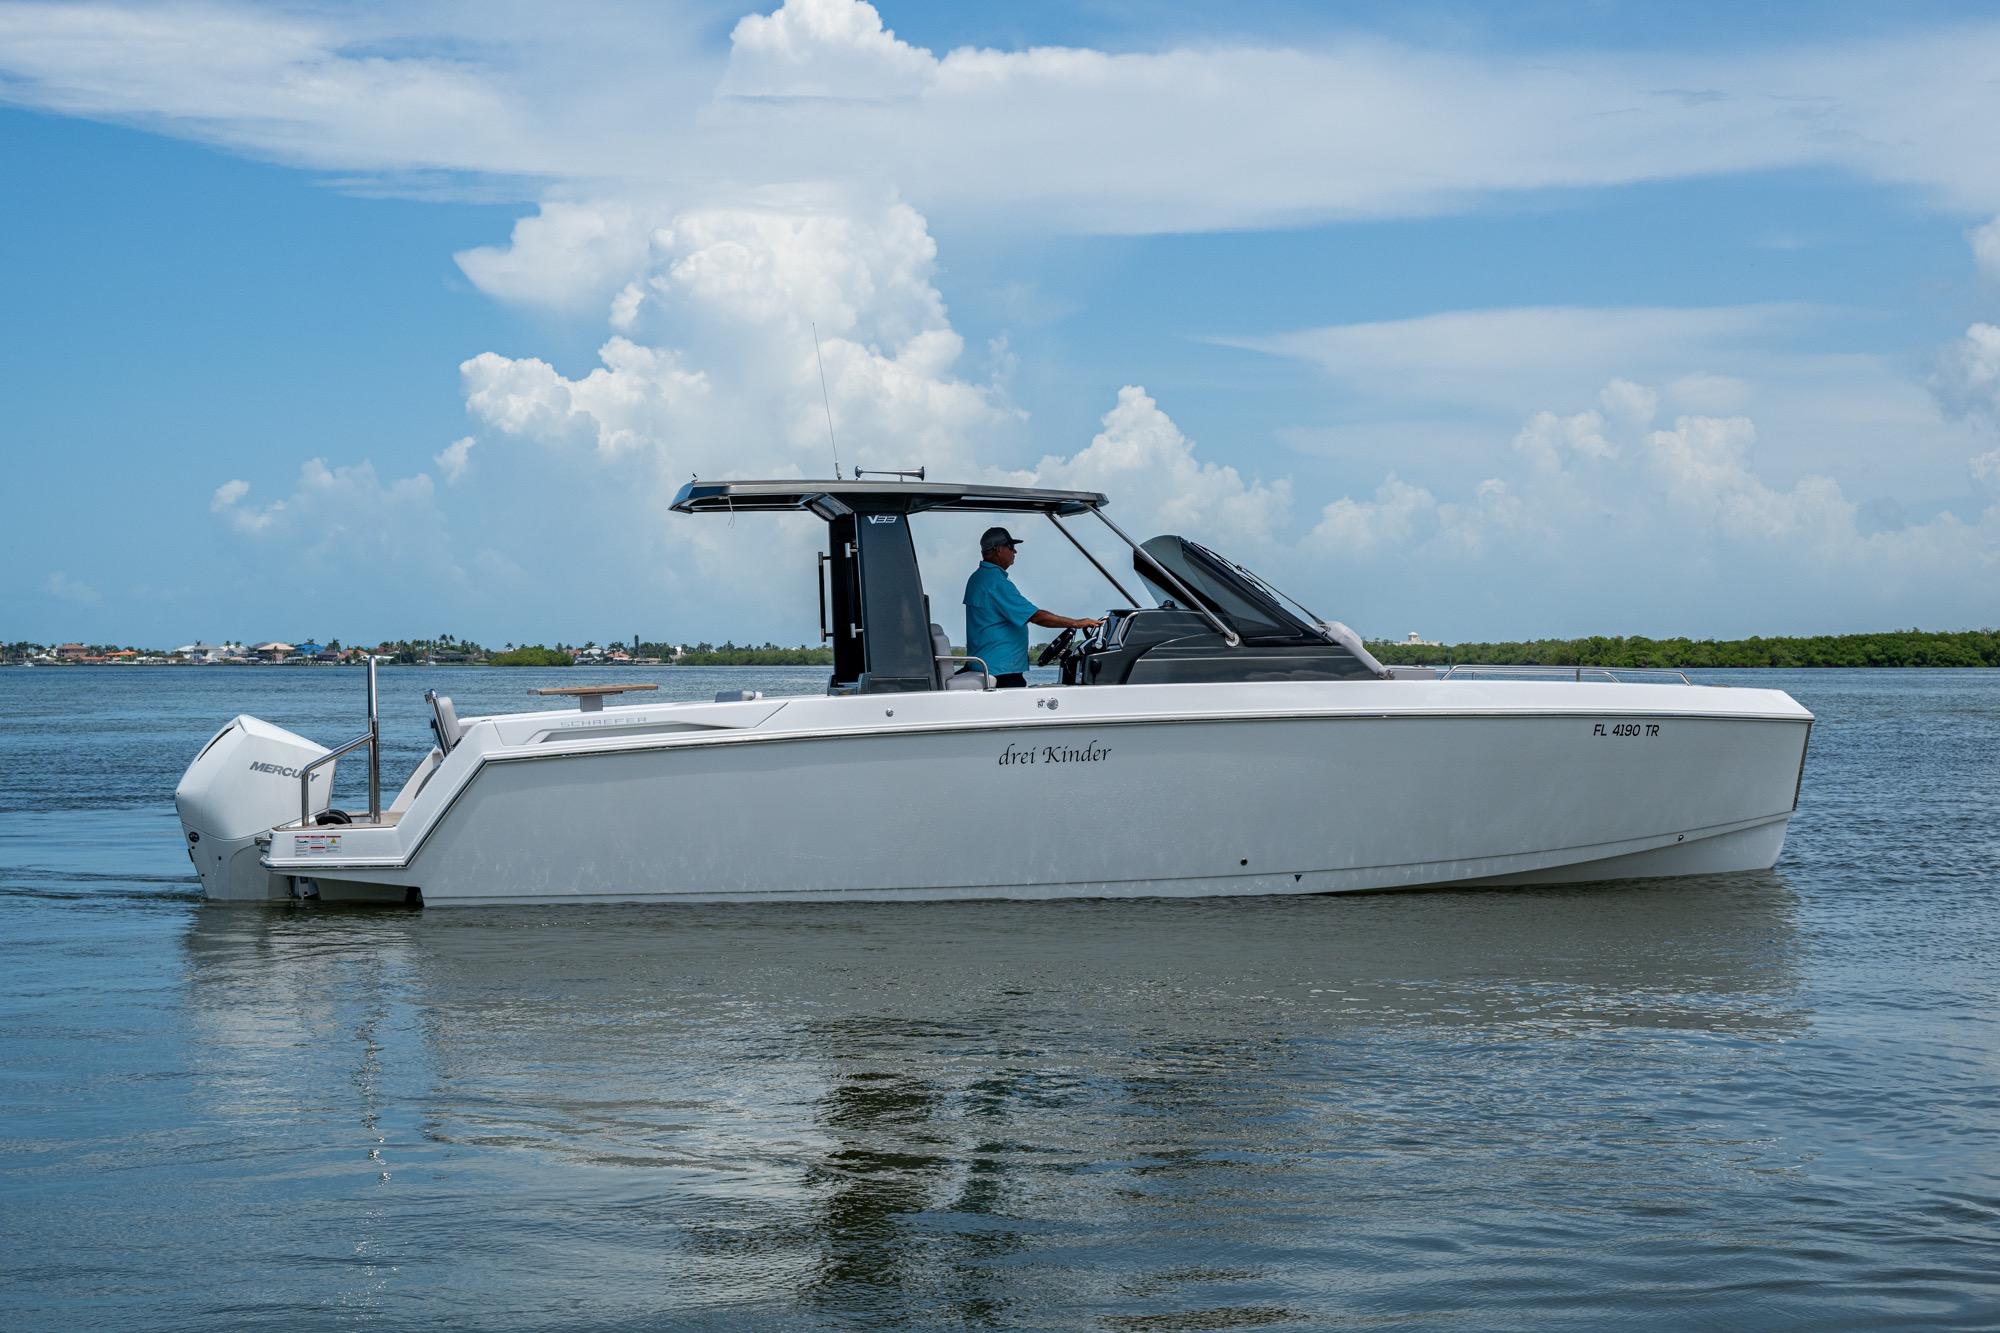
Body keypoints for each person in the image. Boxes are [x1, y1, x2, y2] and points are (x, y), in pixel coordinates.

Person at [962, 526, 1102, 687]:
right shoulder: (995, 582)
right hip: (1000, 670)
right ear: (998, 549)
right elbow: (1036, 616)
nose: (1015, 552)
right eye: (1011, 547)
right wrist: (1076, 623)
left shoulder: (978, 578)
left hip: (990, 665)